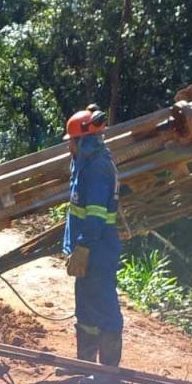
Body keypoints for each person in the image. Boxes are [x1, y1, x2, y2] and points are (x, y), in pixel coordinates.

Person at [64, 105, 123, 366]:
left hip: (98, 250)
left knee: (104, 308)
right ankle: (85, 365)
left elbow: (96, 213)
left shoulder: (97, 167)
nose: (69, 147)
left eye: (71, 142)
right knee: (86, 310)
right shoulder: (85, 164)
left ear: (81, 140)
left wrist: (85, 246)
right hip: (89, 248)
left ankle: (107, 371)